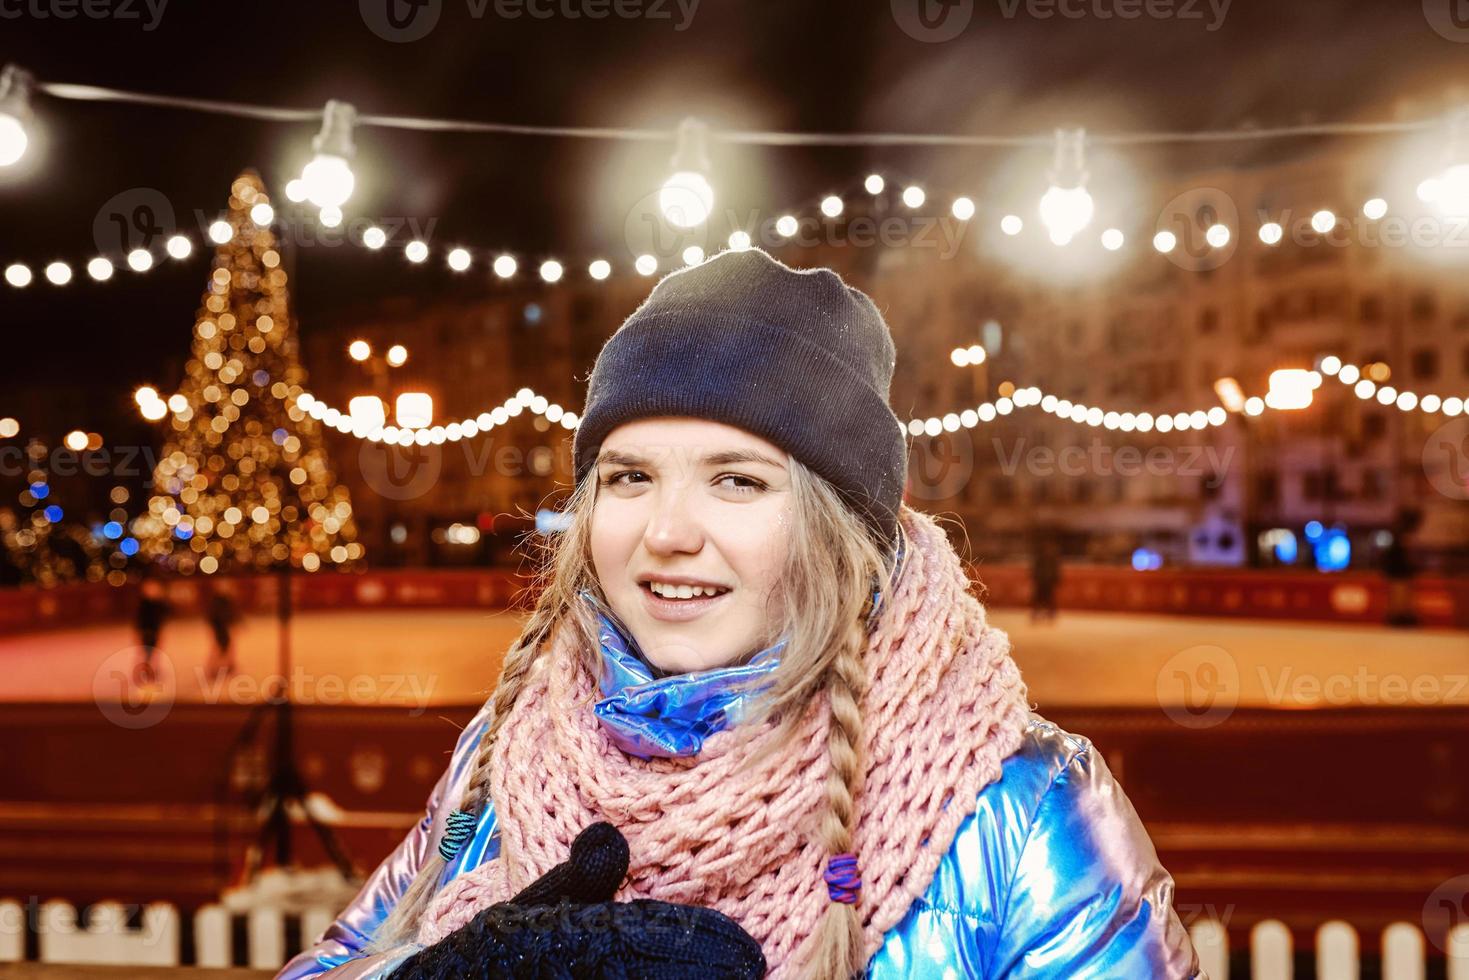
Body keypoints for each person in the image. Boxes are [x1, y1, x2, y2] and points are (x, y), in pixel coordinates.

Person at [278, 248, 1200, 979]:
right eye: (631, 477)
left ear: (840, 526)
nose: (667, 532)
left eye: (737, 480)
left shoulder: (1023, 805)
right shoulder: (501, 752)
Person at [134, 572, 170, 686]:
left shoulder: (156, 604)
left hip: (154, 630)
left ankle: (150, 670)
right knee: (148, 653)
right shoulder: (145, 604)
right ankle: (146, 671)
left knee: (152, 652)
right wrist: (141, 631)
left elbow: (164, 614)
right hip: (148, 631)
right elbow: (141, 619)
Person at [206, 579, 242, 679]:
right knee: (220, 648)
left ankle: (228, 665)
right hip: (220, 628)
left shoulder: (224, 600)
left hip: (222, 627)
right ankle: (214, 669)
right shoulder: (219, 601)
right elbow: (216, 616)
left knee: (225, 647)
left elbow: (231, 614)